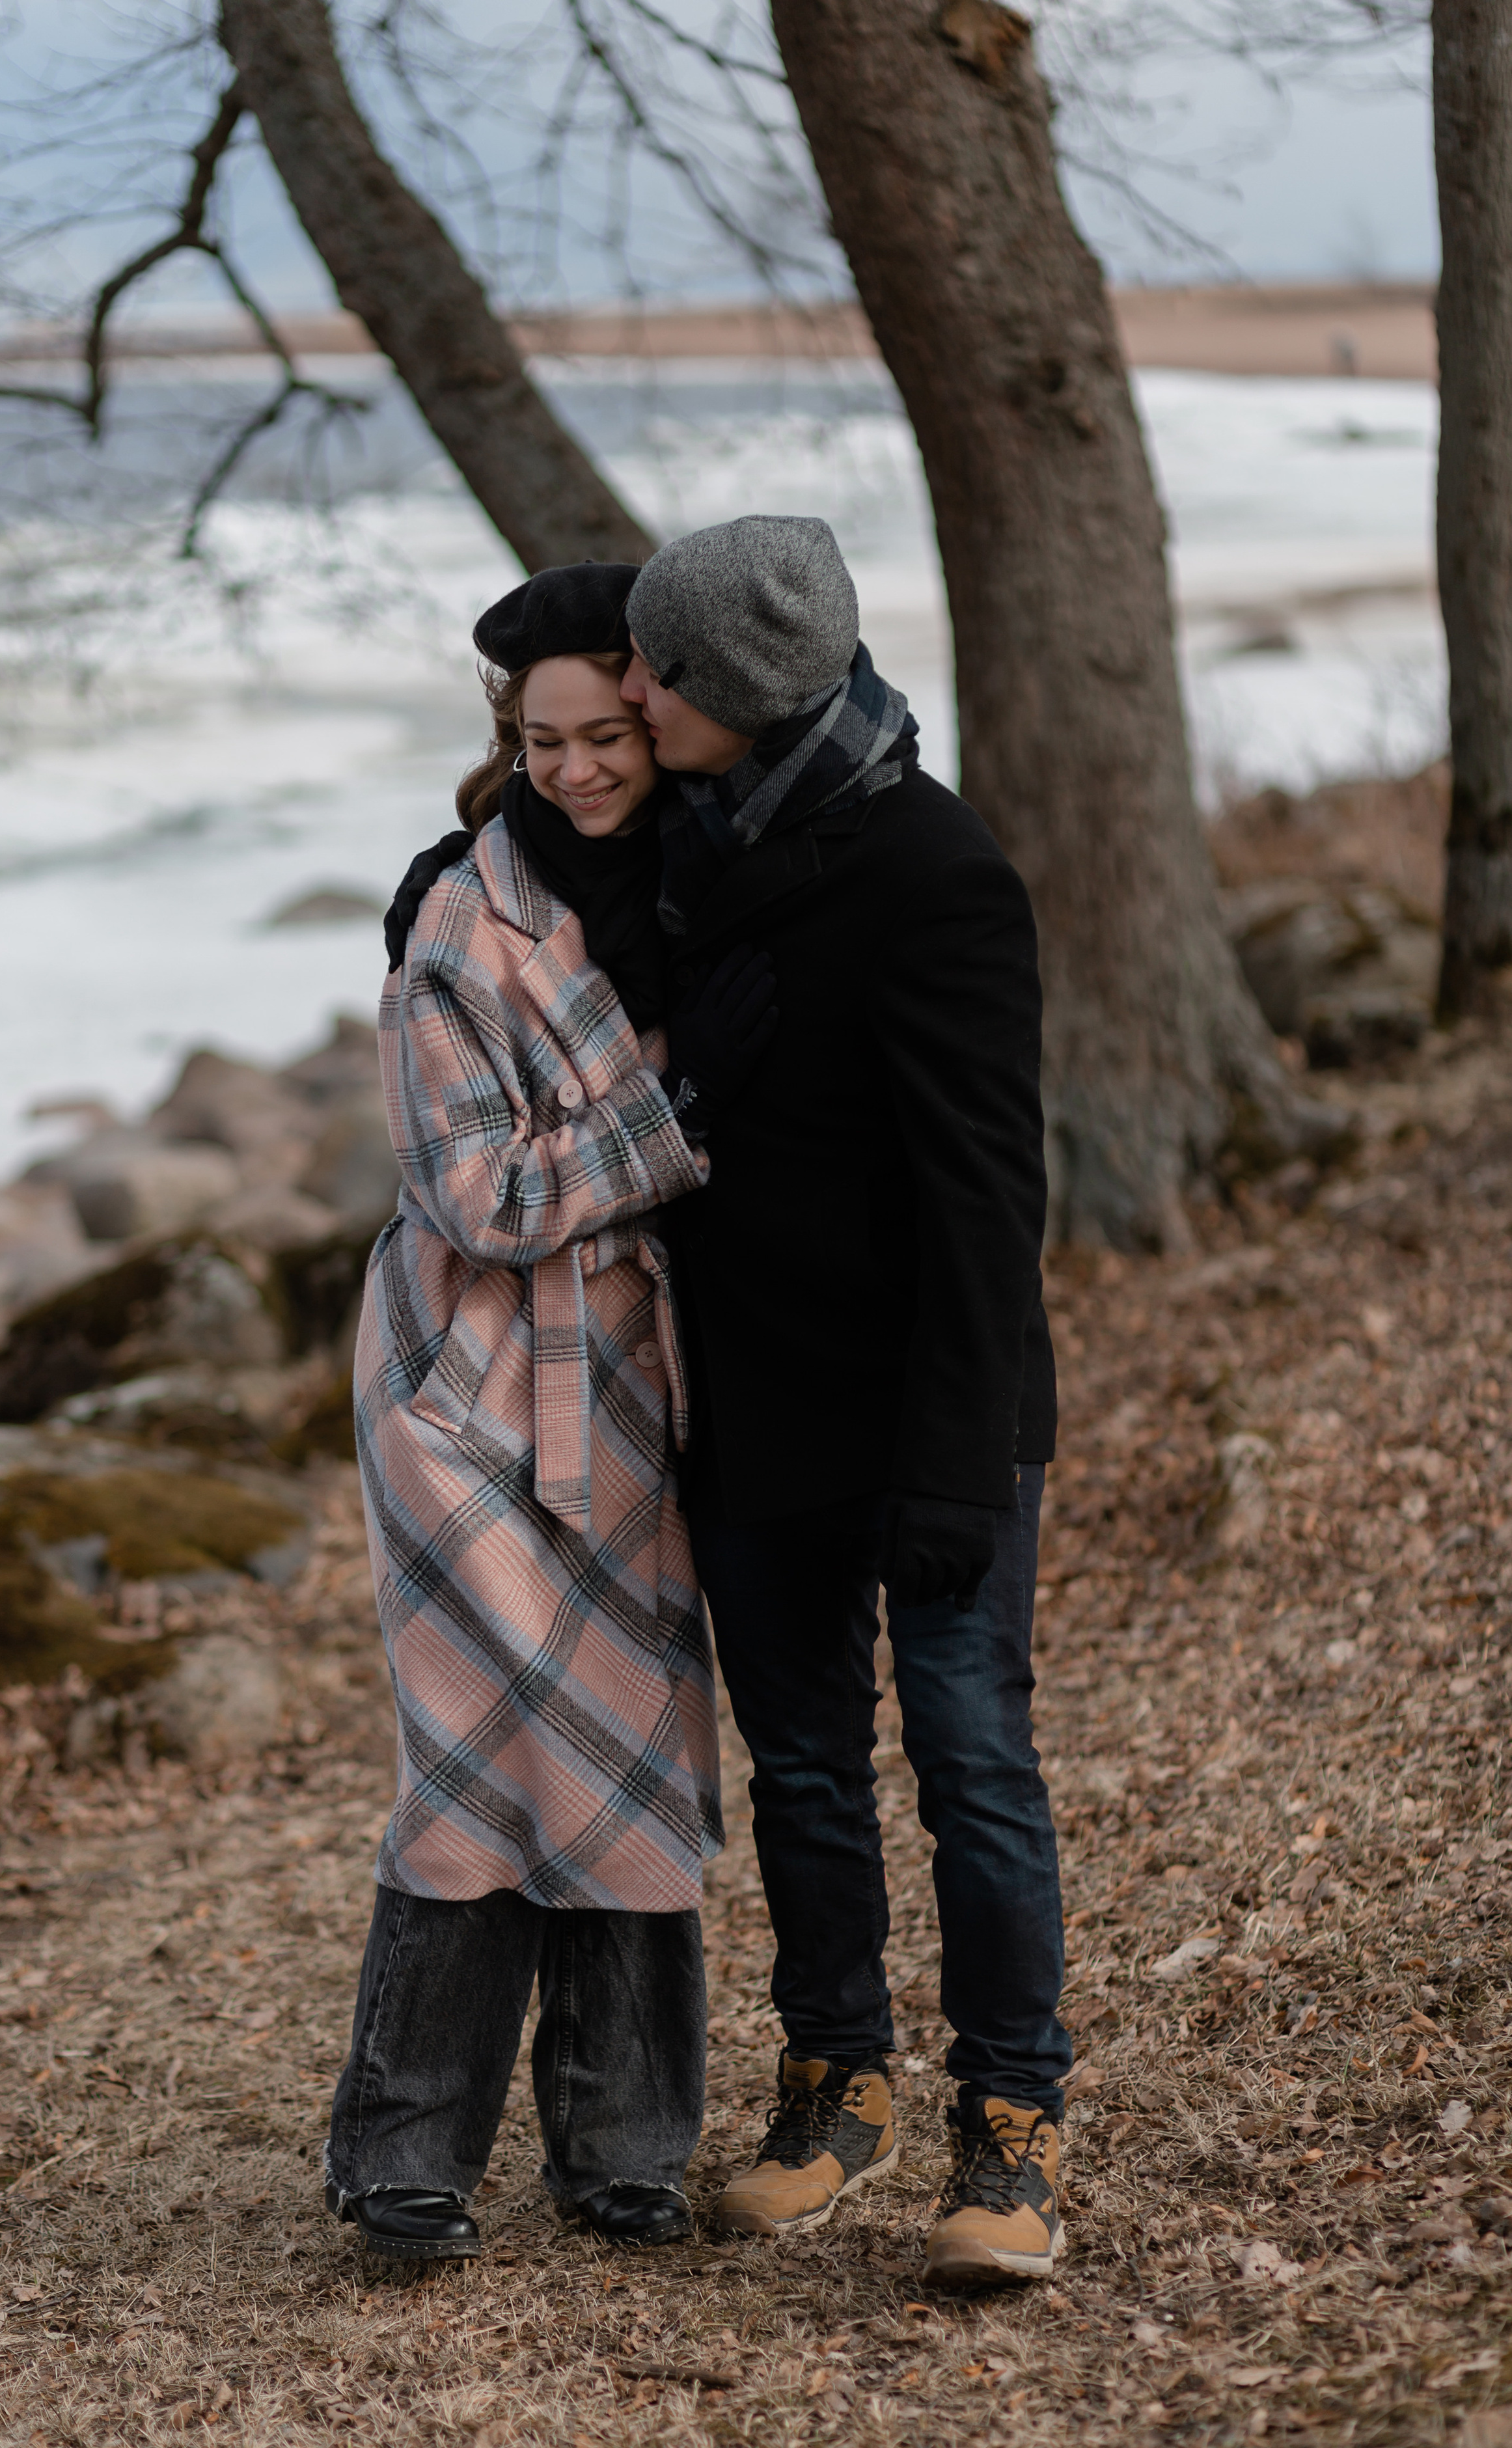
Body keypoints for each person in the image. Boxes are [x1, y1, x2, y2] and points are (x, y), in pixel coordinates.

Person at [619, 515, 1071, 2287]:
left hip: (929, 1408)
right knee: (803, 1768)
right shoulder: (681, 837)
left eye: (658, 669)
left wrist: (959, 1468)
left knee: (972, 1764)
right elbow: (525, 799)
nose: (631, 692)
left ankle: (1011, 2128)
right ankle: (834, 2087)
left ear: (736, 688)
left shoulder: (935, 871)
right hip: (761, 1402)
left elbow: (989, 1199)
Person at [325, 562, 776, 2264]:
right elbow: (478, 1193)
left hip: (645, 1390)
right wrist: (674, 1112)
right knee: (482, 1757)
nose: (577, 769)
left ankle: (626, 2150)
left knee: (631, 1755)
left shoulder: (725, 883)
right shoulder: (458, 919)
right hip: (469, 1388)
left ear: (660, 719)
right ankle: (403, 2162)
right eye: (542, 741)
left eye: (607, 736)